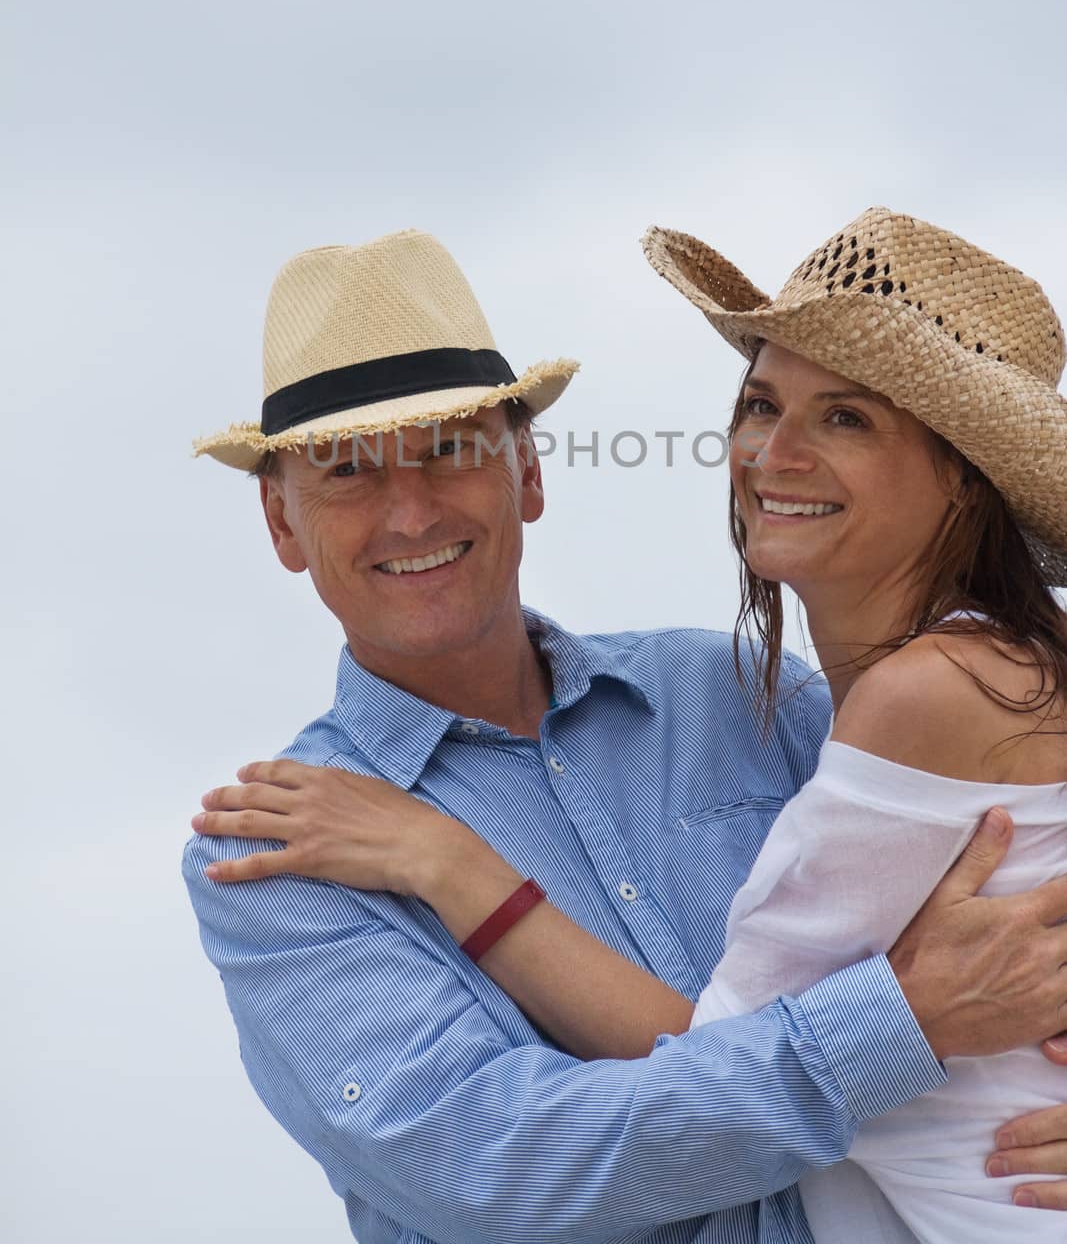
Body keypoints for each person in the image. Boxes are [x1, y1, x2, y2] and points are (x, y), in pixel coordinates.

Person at [185, 217, 1067, 1244]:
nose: (410, 511)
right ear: (281, 523)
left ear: (527, 472)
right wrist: (899, 1024)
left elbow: (1017, 884)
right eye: (346, 472)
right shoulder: (279, 850)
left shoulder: (751, 697)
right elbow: (493, 1166)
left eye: (449, 452)